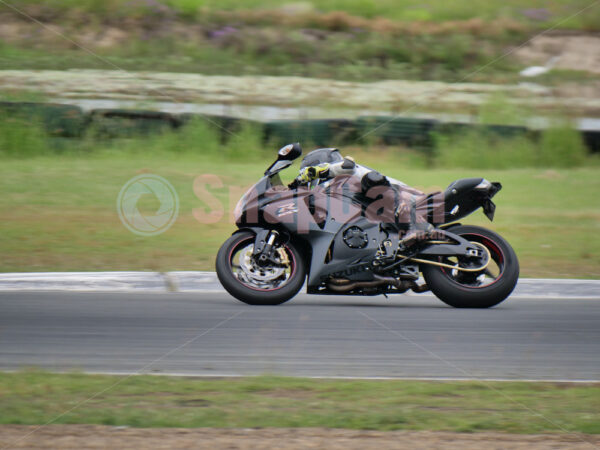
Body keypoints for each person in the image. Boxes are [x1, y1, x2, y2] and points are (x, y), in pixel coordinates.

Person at [289, 148, 435, 250]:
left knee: (370, 180)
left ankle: (416, 226)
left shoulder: (344, 170)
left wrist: (314, 171)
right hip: (387, 214)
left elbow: (348, 165)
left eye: (309, 174)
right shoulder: (339, 189)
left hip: (407, 197)